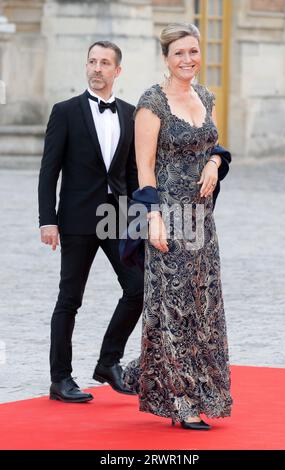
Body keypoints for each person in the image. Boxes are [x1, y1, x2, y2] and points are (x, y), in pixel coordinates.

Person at [123, 23, 233, 429]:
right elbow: (144, 168)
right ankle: (179, 400)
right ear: (166, 58)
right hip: (168, 219)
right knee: (173, 309)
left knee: (204, 307)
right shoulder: (152, 102)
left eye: (193, 51)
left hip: (203, 220)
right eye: (179, 53)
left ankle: (166, 379)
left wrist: (214, 163)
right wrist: (152, 219)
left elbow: (215, 144)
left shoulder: (206, 95)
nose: (188, 60)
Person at [38, 41, 144, 402]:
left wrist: (137, 220)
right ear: (86, 67)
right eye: (92, 62)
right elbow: (48, 170)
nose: (97, 68)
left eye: (105, 63)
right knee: (70, 299)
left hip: (116, 219)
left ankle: (108, 361)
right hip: (77, 219)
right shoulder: (65, 111)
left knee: (138, 287)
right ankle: (60, 379)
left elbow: (130, 174)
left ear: (118, 71)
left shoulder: (130, 114)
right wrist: (47, 221)